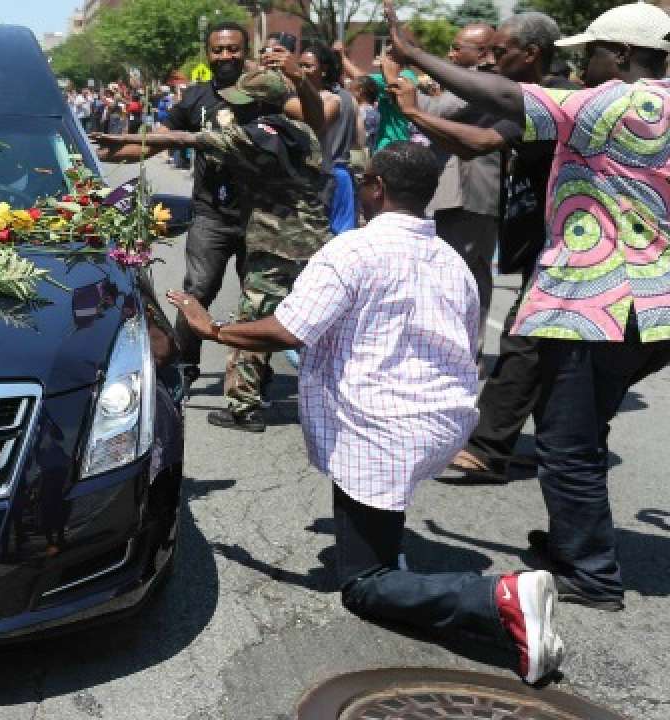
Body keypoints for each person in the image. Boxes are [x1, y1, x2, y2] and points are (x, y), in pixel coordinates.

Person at [169, 141, 565, 685]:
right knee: (373, 504)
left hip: (381, 426)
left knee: (363, 586)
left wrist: (209, 327)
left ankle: (496, 598)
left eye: (361, 178)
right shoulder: (451, 257)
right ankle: (387, 548)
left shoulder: (350, 252)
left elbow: (287, 330)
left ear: (375, 187)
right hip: (442, 419)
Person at [383, 0, 670, 613]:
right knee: (584, 428)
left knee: (567, 442)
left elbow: (510, 99)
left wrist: (412, 53)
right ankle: (574, 541)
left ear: (619, 54)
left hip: (601, 303)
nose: (582, 67)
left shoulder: (620, 100)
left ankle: (592, 576)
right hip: (652, 305)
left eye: (588, 54)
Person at [382, 12, 569, 483]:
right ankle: (558, 449)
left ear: (531, 54)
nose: (491, 58)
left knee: (524, 339)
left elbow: (479, 138)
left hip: (571, 243)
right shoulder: (517, 99)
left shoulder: (559, 93)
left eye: (499, 50)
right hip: (539, 237)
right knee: (553, 352)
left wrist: (414, 102)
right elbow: (474, 144)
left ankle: (488, 447)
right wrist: (414, 105)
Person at [95, 66, 331, 432]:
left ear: (258, 105)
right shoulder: (303, 133)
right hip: (316, 241)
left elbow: (184, 139)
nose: (234, 109)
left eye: (241, 103)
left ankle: (243, 407)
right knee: (317, 319)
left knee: (253, 322)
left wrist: (123, 141)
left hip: (275, 246)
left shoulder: (248, 137)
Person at [406, 23, 504, 357]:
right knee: (466, 275)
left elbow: (433, 112)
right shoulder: (474, 80)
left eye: (457, 47)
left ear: (483, 53)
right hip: (462, 190)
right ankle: (462, 350)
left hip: (472, 191)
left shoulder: (483, 81)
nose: (450, 54)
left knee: (462, 275)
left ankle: (460, 353)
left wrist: (404, 83)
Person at [297, 43, 359, 235]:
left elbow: (318, 125)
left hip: (327, 176)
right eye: (300, 65)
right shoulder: (349, 98)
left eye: (308, 66)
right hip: (337, 174)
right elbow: (359, 140)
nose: (302, 71)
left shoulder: (328, 100)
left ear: (323, 70)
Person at [337, 41, 419, 151]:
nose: (384, 56)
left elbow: (363, 79)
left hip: (397, 145)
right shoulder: (383, 78)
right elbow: (362, 79)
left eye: (389, 54)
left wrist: (341, 56)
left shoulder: (407, 76)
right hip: (383, 145)